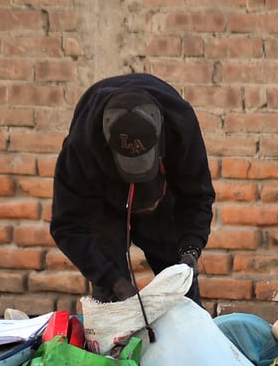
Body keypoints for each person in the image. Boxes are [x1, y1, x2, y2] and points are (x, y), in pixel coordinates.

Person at [50, 73, 215, 305]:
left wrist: (191, 248)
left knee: (181, 288)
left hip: (162, 206)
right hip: (103, 204)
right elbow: (65, 226)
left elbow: (197, 196)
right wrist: (113, 280)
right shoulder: (81, 147)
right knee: (114, 301)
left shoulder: (181, 125)